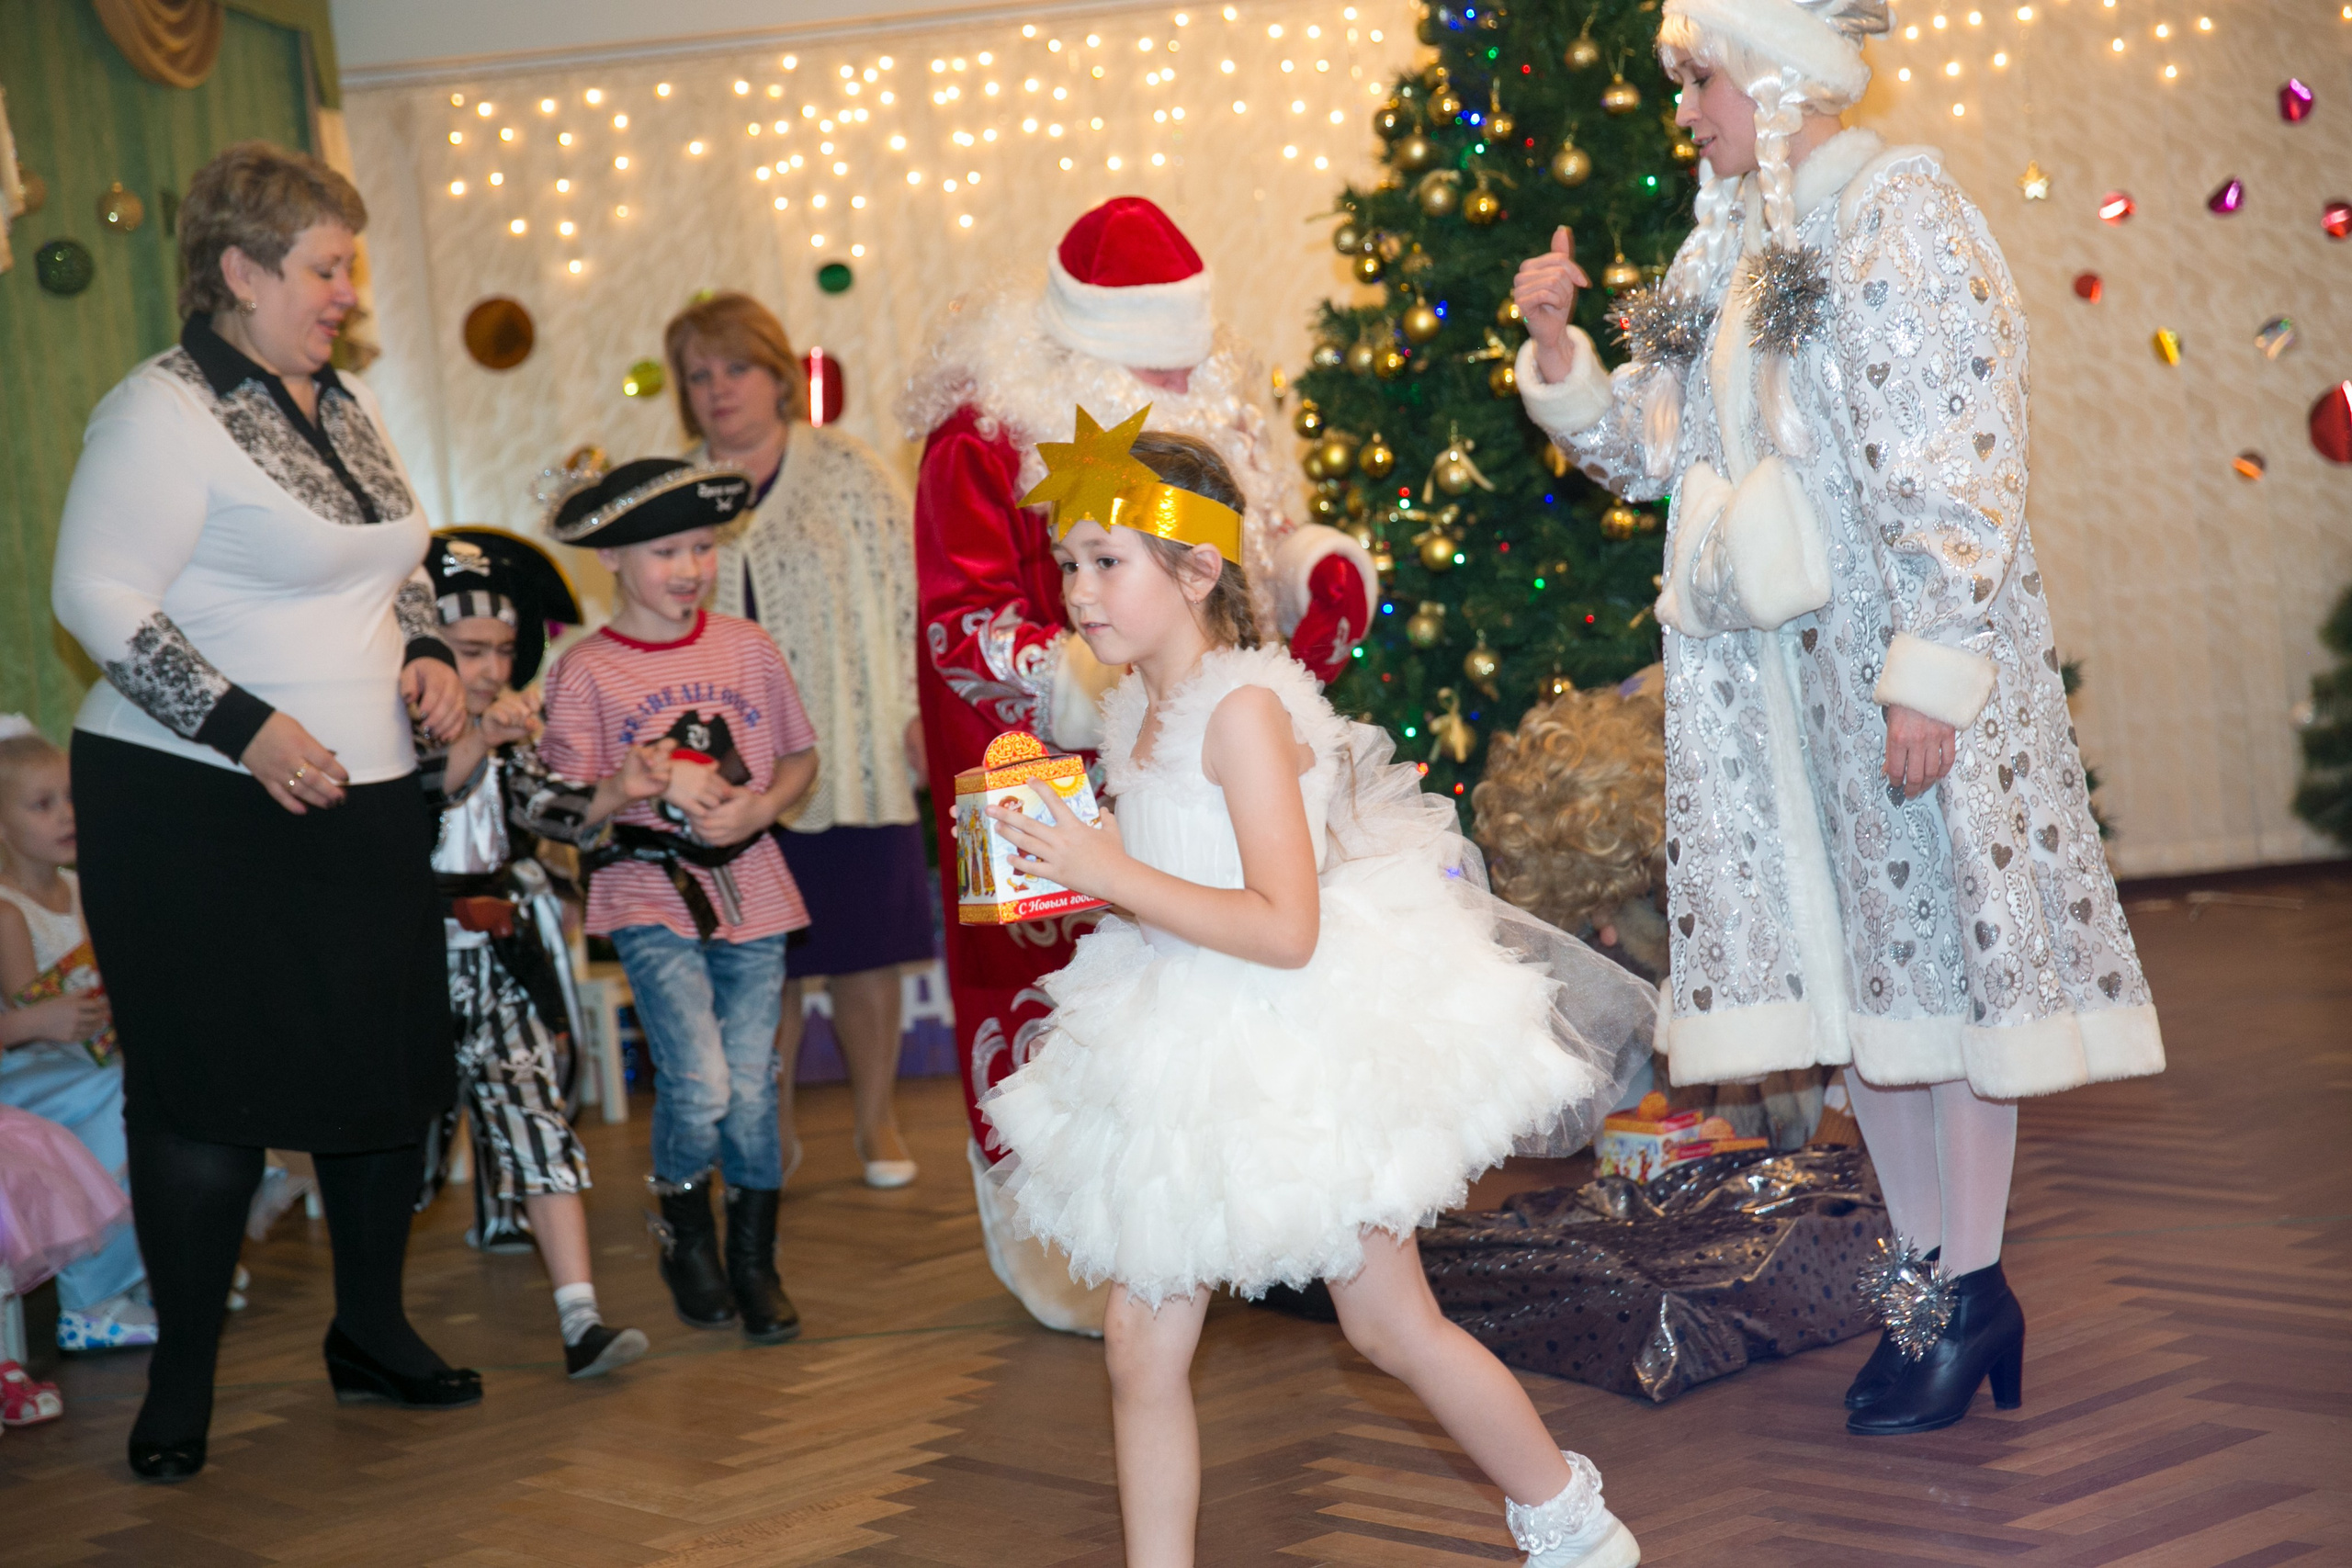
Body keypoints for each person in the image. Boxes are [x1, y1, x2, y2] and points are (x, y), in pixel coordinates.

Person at [1510, 0, 2164, 1436]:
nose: (1687, 109)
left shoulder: (1896, 210)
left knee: (1941, 979)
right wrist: (1560, 360)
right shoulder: (1719, 248)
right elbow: (1648, 438)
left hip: (1897, 670)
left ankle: (1964, 1276)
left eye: (1704, 79)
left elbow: (1961, 440)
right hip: (1780, 696)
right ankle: (1930, 1277)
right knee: (1870, 987)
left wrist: (1933, 658)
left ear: (1784, 78)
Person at [978, 412, 1654, 1568]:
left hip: (1289, 1043)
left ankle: (1573, 1522)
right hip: (1172, 1034)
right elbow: (1172, 889)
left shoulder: (1244, 713)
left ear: (1195, 571)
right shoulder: (1136, 707)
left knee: (1392, 1328)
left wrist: (1112, 869)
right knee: (1139, 1352)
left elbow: (1284, 929)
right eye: (1069, 564)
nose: (1078, 592)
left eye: (1106, 562)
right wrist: (1066, 876)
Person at [50, 141, 478, 1483]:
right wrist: (246, 727)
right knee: (208, 1096)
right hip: (195, 807)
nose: (346, 290)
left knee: (377, 1071)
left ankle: (371, 1328)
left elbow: (392, 554)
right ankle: (179, 1382)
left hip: (356, 798)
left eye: (348, 266)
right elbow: (96, 599)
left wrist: (423, 649)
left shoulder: (335, 399)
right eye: (326, 266)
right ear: (239, 271)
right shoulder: (159, 410)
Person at [896, 195, 1378, 1332]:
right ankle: (1092, 1245)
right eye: (1151, 374)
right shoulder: (987, 429)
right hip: (1060, 764)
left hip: (1208, 747)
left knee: (1241, 985)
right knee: (1093, 1009)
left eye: (1182, 368)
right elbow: (958, 619)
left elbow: (1240, 544)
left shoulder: (1216, 397)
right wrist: (1079, 681)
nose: (1175, 387)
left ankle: (1265, 1220)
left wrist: (1313, 567)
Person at [537, 458, 820, 1344]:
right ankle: (681, 1228)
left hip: (755, 887)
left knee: (754, 1084)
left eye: (703, 546)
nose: (691, 567)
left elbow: (798, 757)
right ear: (613, 557)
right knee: (698, 1080)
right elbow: (563, 812)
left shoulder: (747, 648)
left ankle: (754, 1260)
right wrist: (625, 784)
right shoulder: (583, 671)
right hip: (645, 890)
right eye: (666, 550)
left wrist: (762, 805)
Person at [668, 292, 929, 1190]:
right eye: (699, 376)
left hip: (846, 754)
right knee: (755, 961)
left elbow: (905, 601)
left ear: (778, 375)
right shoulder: (673, 492)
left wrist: (908, 712)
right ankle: (767, 1130)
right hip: (728, 770)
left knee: (863, 950)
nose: (718, 390)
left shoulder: (850, 472)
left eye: (735, 368)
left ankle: (877, 1122)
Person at [416, 530, 650, 1380]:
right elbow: (420, 792)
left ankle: (579, 1315)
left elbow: (552, 811)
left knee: (536, 1113)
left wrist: (621, 786)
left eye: (505, 651)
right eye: (468, 649)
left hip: (496, 958)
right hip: (408, 963)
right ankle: (364, 1310)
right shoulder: (388, 734)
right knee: (403, 1148)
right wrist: (482, 734)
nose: (488, 667)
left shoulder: (507, 735)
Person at [0, 718, 152, 1354]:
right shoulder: (7, 912)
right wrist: (50, 1018)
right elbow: (29, 1020)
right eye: (43, 804)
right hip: (32, 1075)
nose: (67, 815)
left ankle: (152, 1265)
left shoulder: (83, 889)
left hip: (80, 1061)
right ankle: (92, 1300)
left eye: (71, 798)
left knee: (160, 1083)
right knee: (113, 1104)